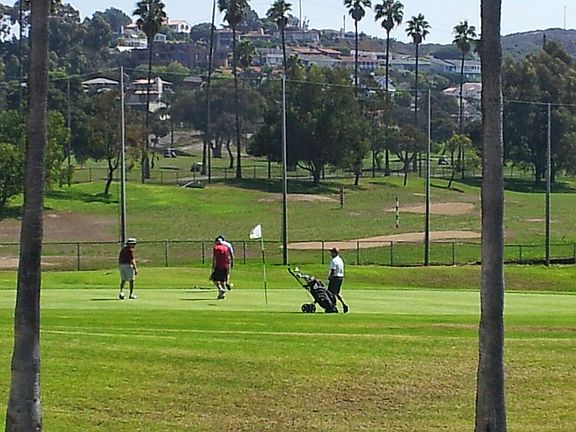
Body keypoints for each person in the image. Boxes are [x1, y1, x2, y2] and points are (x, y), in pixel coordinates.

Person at [327, 247, 348, 313]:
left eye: (331, 252)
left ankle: (333, 306)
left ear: (334, 253)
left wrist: (330, 277)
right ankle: (344, 304)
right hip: (340, 277)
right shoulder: (340, 260)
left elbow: (333, 270)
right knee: (337, 293)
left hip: (335, 278)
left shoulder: (334, 261)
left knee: (330, 293)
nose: (330, 254)